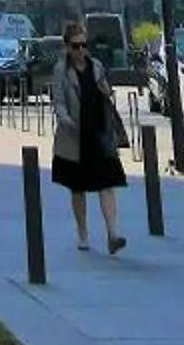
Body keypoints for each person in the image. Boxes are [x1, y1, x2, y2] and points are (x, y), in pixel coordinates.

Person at [49, 20, 127, 255]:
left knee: (108, 184)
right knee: (78, 188)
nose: (81, 50)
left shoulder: (96, 66)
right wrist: (66, 120)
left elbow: (106, 91)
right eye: (75, 46)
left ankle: (113, 234)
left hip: (99, 132)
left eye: (84, 45)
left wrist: (106, 90)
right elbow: (59, 101)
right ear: (67, 47)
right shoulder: (61, 70)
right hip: (75, 136)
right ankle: (83, 232)